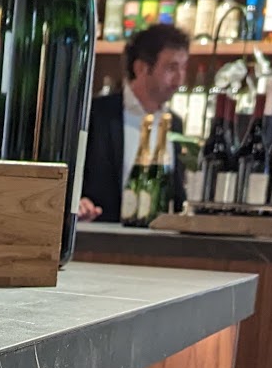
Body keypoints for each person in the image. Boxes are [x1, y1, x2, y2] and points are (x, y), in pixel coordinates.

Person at [78, 23, 190, 224]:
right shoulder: (96, 114)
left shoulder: (175, 124)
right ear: (141, 68)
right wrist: (78, 202)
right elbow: (70, 174)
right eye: (171, 68)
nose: (180, 79)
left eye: (183, 68)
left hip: (157, 238)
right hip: (99, 235)